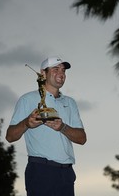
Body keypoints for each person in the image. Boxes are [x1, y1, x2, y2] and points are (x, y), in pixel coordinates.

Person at [6, 56, 87, 196]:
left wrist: (63, 127)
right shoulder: (27, 99)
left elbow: (82, 139)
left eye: (63, 70)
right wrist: (26, 123)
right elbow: (10, 136)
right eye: (55, 69)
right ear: (43, 73)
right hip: (41, 170)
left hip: (66, 173)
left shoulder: (70, 102)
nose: (61, 73)